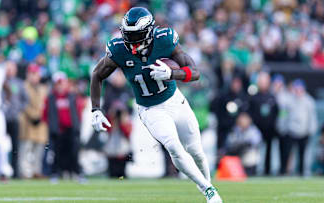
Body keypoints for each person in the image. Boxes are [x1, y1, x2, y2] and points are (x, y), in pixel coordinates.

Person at [90, 7, 222, 203]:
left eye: (138, 35)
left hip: (175, 101)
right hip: (150, 109)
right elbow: (97, 75)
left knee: (196, 151)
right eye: (129, 36)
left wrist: (171, 74)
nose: (133, 42)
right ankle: (209, 191)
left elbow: (195, 72)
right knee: (174, 147)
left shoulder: (165, 39)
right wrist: (95, 109)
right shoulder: (118, 49)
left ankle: (207, 187)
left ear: (150, 32)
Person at [43, 72, 85, 183]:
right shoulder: (51, 98)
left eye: (62, 83)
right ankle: (55, 173)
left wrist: (77, 127)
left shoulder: (72, 97)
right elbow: (46, 114)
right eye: (58, 84)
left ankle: (77, 173)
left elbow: (77, 112)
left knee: (74, 153)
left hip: (71, 130)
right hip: (58, 131)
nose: (60, 86)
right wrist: (51, 127)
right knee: (56, 153)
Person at [18, 64, 48, 179]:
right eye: (32, 74)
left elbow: (45, 105)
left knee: (39, 150)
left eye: (36, 74)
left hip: (41, 123)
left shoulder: (43, 88)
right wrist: (32, 115)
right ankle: (25, 172)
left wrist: (41, 116)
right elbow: (22, 103)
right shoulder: (23, 87)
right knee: (26, 148)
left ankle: (36, 171)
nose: (34, 76)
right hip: (27, 121)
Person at [249, 71, 278, 175]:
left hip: (269, 129)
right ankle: (254, 170)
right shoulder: (253, 97)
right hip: (257, 129)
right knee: (255, 151)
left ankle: (268, 170)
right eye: (261, 81)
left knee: (269, 151)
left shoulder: (272, 97)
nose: (263, 83)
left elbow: (276, 113)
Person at [285, 79, 317, 176]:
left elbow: (312, 116)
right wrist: (283, 127)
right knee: (288, 154)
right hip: (291, 131)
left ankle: (303, 171)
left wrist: (311, 129)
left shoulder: (309, 101)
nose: (298, 91)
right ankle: (287, 171)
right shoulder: (289, 100)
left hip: (304, 132)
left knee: (303, 154)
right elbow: (284, 115)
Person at [3, 61, 28, 179]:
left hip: (14, 118)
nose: (9, 71)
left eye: (11, 69)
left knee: (15, 146)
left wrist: (19, 109)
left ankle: (15, 171)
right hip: (1, 118)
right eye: (7, 69)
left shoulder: (19, 83)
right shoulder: (0, 81)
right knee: (0, 145)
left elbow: (25, 100)